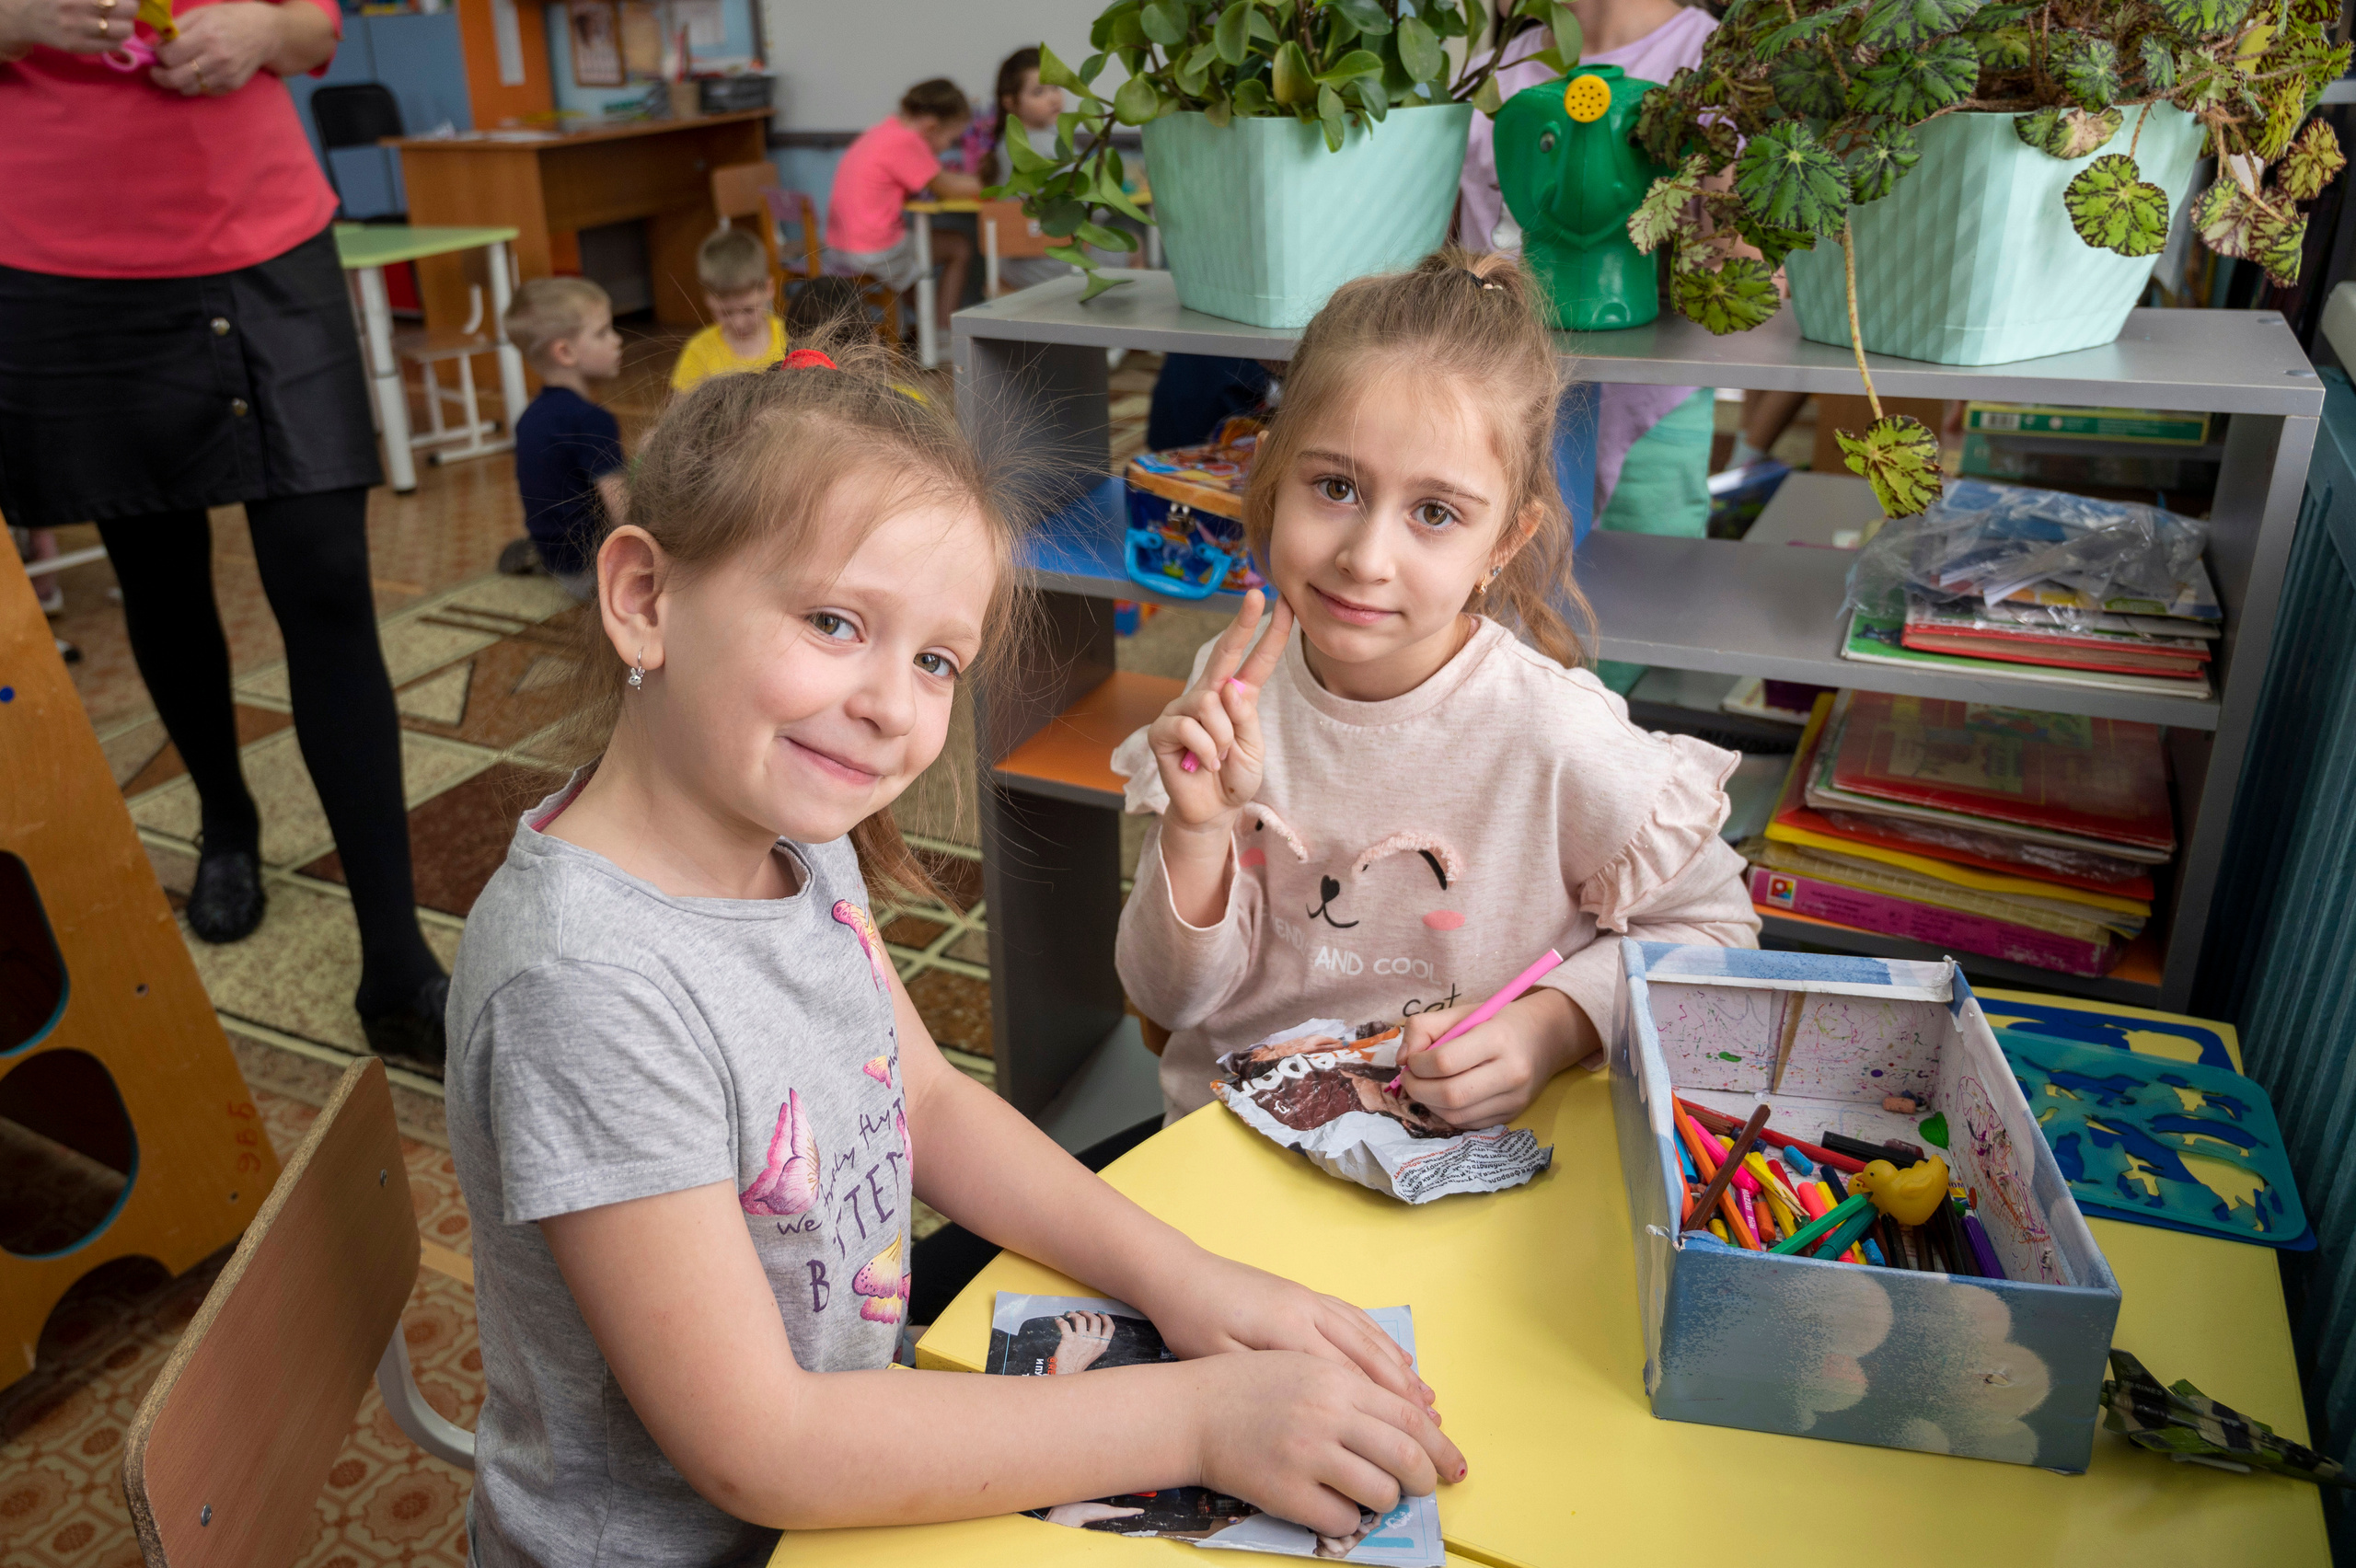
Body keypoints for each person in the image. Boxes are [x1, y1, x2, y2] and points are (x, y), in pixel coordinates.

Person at [444, 330, 1464, 1567]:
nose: (890, 707)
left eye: (936, 661)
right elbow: (758, 1447)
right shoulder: (586, 987)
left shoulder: (783, 825)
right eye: (832, 621)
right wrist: (1198, 1417)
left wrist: (1188, 1282)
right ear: (646, 599)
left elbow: (920, 1095)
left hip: (841, 1470)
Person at [1113, 251, 1760, 1127]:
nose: (1367, 559)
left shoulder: (1557, 735)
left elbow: (1717, 933)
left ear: (1505, 540)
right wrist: (1195, 834)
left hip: (1467, 1178)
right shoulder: (1223, 695)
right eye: (1335, 487)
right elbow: (1168, 1001)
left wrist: (1553, 1027)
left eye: (1435, 512)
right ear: (1270, 477)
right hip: (1232, 1153)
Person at [0, 0, 451, 1066]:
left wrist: (261, 28)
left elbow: (314, 27)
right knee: (156, 571)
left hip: (267, 237)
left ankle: (395, 959)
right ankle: (227, 823)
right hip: (69, 256)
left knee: (331, 576)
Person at [1461, 0, 1721, 580]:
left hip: (1650, 415)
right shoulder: (1492, 72)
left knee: (1649, 607)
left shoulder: (1713, 65)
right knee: (1503, 614)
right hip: (1495, 411)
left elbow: (1744, 280)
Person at [499, 278, 626, 604]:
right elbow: (622, 508)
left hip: (557, 559)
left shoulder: (529, 418)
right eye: (602, 333)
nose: (617, 340)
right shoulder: (591, 420)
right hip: (592, 572)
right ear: (565, 352)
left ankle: (536, 555)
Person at [824, 77, 982, 333]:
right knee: (959, 246)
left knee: (914, 262)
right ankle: (942, 334)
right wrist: (997, 181)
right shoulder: (907, 141)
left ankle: (927, 330)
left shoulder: (885, 130)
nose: (947, 148)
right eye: (951, 140)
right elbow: (949, 187)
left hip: (839, 245)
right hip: (871, 249)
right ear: (931, 127)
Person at [669, 225, 787, 391]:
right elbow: (682, 414)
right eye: (725, 312)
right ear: (707, 299)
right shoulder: (698, 352)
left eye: (748, 310)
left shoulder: (790, 338)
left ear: (769, 289)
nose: (738, 323)